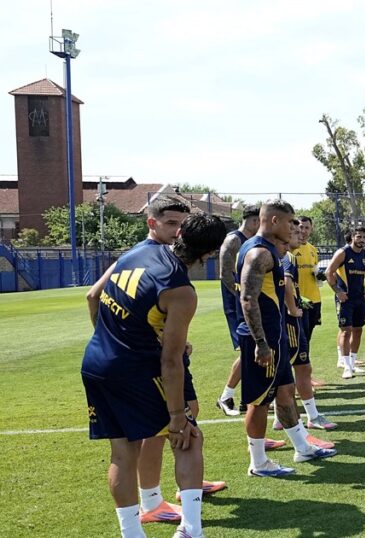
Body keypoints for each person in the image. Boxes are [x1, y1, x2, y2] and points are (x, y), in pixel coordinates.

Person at [82, 212, 227, 538]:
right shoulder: (180, 290)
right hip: (137, 371)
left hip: (96, 364)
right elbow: (172, 361)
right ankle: (191, 531)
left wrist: (115, 341)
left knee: (123, 452)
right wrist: (177, 416)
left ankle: (132, 534)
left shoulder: (138, 250)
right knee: (188, 438)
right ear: (210, 254)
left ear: (180, 232)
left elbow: (93, 298)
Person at [237, 200, 336, 478]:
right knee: (260, 401)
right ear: (274, 221)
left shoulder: (271, 251)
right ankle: (258, 463)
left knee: (284, 392)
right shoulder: (259, 253)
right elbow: (247, 299)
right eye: (290, 222)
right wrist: (260, 343)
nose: (294, 227)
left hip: (275, 336)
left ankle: (302, 448)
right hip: (263, 340)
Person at [276, 219, 337, 437]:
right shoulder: (287, 257)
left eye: (303, 231)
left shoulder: (283, 253)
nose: (300, 234)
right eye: (294, 231)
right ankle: (312, 417)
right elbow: (287, 283)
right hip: (289, 319)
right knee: (302, 367)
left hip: (287, 316)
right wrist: (293, 308)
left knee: (286, 367)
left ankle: (278, 418)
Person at [215, 204, 259, 417]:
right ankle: (226, 396)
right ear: (252, 220)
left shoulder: (252, 241)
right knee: (246, 351)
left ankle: (245, 398)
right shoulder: (234, 239)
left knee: (250, 351)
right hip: (236, 304)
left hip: (247, 302)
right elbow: (224, 273)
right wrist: (240, 295)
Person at [326, 226, 365, 379]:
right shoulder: (343, 253)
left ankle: (352, 363)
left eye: (364, 237)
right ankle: (346, 366)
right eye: (358, 237)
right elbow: (329, 271)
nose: (361, 240)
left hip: (360, 299)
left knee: (358, 330)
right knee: (346, 331)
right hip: (345, 299)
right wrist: (338, 291)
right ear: (353, 237)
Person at [292, 216, 325, 382]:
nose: (303, 231)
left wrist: (320, 276)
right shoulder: (290, 249)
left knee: (307, 339)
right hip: (299, 301)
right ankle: (299, 379)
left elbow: (316, 276)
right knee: (299, 340)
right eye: (300, 227)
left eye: (306, 228)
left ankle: (305, 376)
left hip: (313, 300)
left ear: (311, 229)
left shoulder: (313, 249)